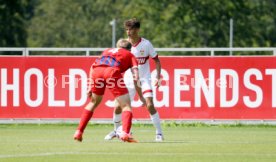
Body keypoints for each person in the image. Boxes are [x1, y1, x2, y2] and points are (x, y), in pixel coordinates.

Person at [73, 39, 146, 143]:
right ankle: (125, 133)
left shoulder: (107, 51)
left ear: (117, 46)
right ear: (130, 49)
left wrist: (90, 85)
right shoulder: (130, 55)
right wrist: (141, 95)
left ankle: (79, 132)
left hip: (96, 72)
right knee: (126, 105)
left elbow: (92, 66)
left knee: (93, 103)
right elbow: (136, 76)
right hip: (111, 71)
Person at [104, 18, 164, 142]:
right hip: (128, 81)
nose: (128, 32)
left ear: (137, 29)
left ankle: (159, 133)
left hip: (144, 79)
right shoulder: (124, 45)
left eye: (130, 29)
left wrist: (158, 76)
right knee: (117, 107)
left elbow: (156, 60)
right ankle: (117, 131)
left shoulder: (146, 44)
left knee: (150, 105)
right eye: (126, 29)